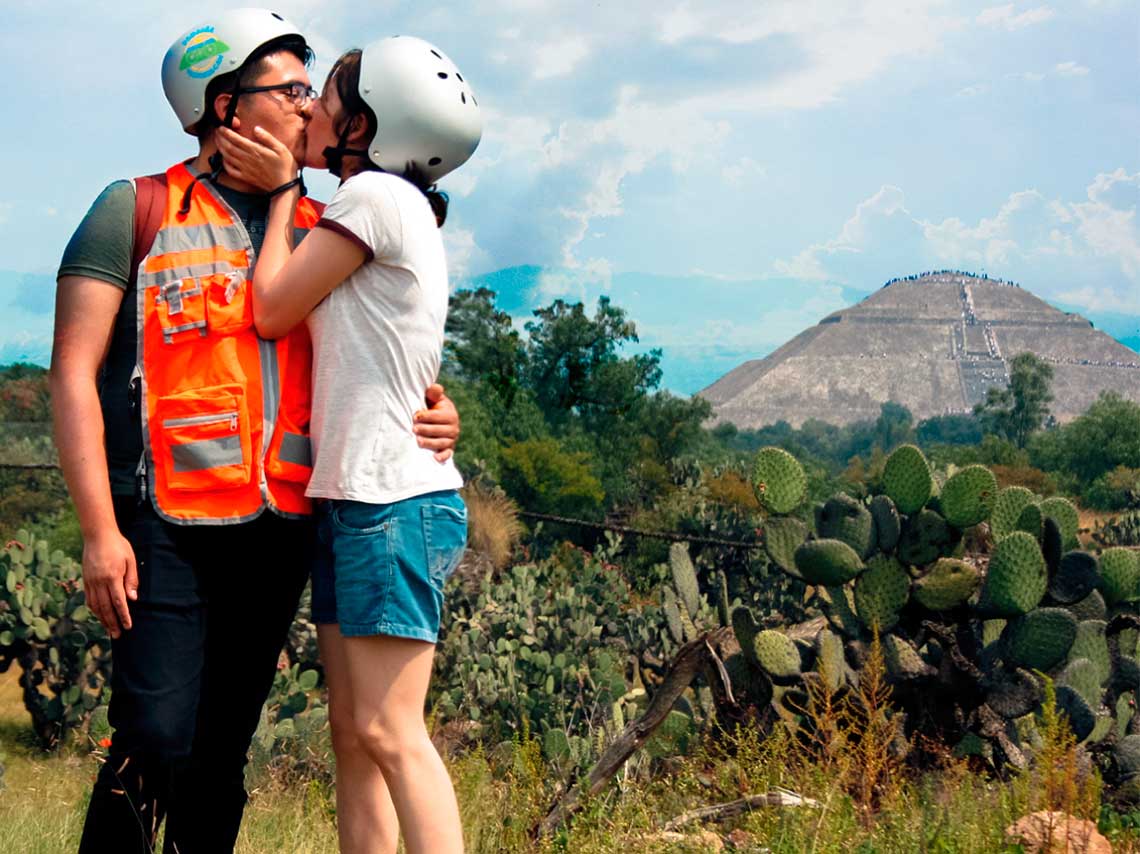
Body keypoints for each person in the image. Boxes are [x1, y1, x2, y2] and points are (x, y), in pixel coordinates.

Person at [49, 11, 460, 853]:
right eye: (292, 90)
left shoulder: (322, 221)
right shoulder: (134, 208)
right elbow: (72, 376)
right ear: (228, 105)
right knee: (155, 739)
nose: (310, 106)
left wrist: (436, 408)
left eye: (315, 91)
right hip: (162, 524)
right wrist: (99, 531)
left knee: (220, 757)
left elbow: (378, 347)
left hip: (280, 531)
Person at [215, 35, 481, 853]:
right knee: (354, 736)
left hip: (389, 501)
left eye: (328, 98)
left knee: (390, 732)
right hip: (359, 498)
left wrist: (285, 192)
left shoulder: (371, 200)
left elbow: (270, 310)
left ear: (368, 123)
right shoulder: (383, 204)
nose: (313, 111)